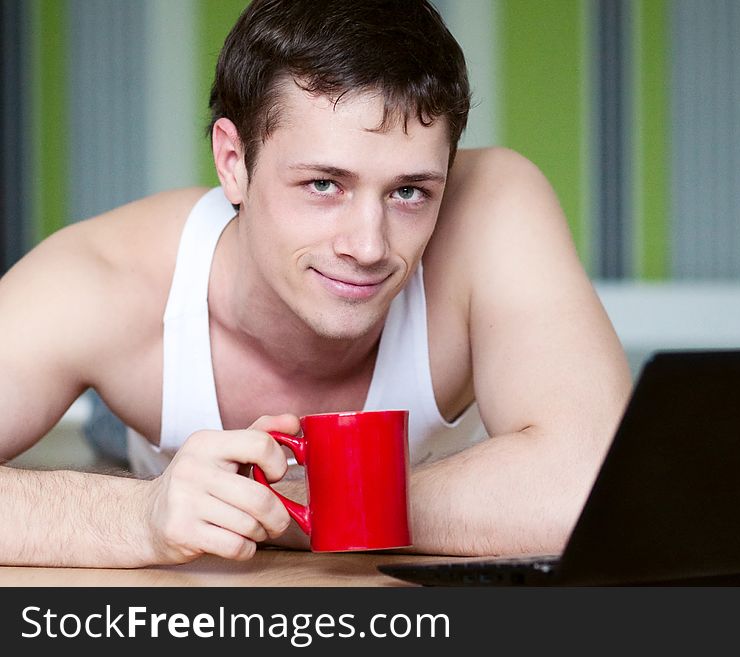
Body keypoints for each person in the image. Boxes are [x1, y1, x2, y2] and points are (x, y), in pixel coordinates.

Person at [0, 0, 631, 567]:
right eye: (323, 185)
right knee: (111, 450)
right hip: (145, 446)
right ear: (234, 163)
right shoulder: (104, 279)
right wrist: (140, 514)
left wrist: (301, 508)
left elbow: (595, 484)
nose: (368, 246)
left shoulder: (491, 206)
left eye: (409, 192)